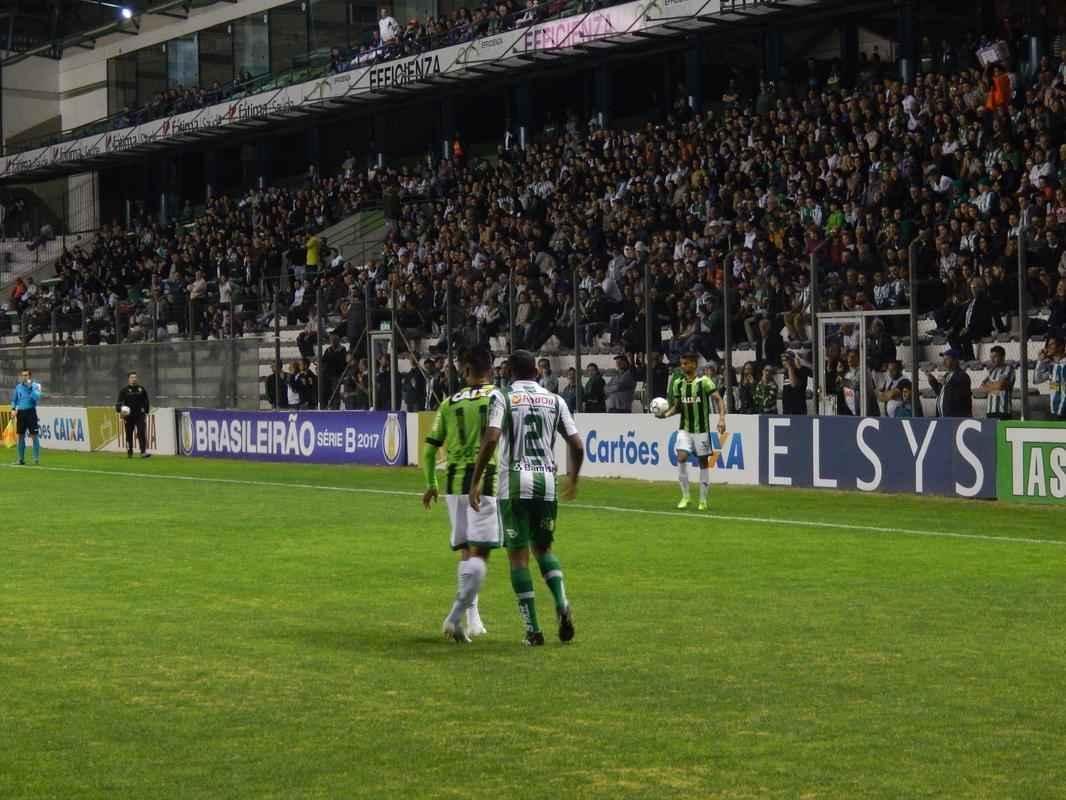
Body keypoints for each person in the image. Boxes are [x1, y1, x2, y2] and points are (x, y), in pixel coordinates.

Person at [469, 350, 584, 647]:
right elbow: (577, 445)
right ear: (537, 370)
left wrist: (476, 479)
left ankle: (533, 631)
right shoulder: (555, 400)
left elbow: (492, 437)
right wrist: (573, 478)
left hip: (515, 482)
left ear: (509, 371)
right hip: (547, 483)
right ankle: (561, 601)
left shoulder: (502, 397)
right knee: (543, 549)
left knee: (518, 558)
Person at [421, 346, 498, 643]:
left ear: (465, 370)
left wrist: (432, 484)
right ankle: (456, 617)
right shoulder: (496, 397)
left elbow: (429, 451)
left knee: (467, 550)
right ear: (490, 369)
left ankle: (472, 618)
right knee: (482, 552)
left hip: (453, 484)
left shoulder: (448, 402)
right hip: (484, 481)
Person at [661, 352, 726, 511]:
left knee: (703, 462)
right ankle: (685, 496)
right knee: (681, 457)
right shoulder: (678, 383)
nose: (683, 366)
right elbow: (678, 407)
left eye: (686, 363)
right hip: (685, 429)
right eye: (682, 364)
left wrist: (721, 419)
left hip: (701, 430)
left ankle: (703, 500)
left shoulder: (704, 382)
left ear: (694, 365)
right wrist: (666, 414)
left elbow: (718, 399)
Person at [926, 348, 973, 418]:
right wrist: (932, 381)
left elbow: (959, 395)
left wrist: (946, 384)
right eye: (943, 359)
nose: (943, 362)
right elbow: (940, 392)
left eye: (947, 359)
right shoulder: (947, 375)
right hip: (943, 418)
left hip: (955, 419)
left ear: (955, 361)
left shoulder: (963, 376)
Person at [115, 371, 151, 458]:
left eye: (135, 377)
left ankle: (143, 452)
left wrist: (146, 411)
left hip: (140, 415)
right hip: (129, 416)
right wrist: (121, 410)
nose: (134, 379)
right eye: (132, 377)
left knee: (141, 432)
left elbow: (146, 401)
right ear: (128, 379)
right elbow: (118, 404)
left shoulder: (141, 389)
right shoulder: (124, 391)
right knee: (129, 434)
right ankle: (129, 452)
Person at [10, 368, 42, 466]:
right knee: (20, 436)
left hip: (31, 412)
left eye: (26, 375)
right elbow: (14, 400)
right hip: (21, 413)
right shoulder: (18, 387)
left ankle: (36, 459)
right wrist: (13, 409)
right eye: (22, 375)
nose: (24, 377)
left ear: (29, 376)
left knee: (34, 435)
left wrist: (30, 387)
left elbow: (36, 398)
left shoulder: (36, 386)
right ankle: (21, 459)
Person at [1034, 333, 1066, 419]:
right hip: (1055, 411)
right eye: (1047, 344)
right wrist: (1040, 361)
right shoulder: (1051, 366)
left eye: (1051, 344)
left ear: (1061, 346)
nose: (1047, 347)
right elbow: (1037, 379)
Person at [980, 345, 1014, 420]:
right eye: (991, 357)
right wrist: (995, 387)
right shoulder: (991, 371)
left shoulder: (1008, 368)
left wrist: (989, 386)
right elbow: (981, 387)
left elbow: (1000, 385)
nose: (992, 359)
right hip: (990, 411)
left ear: (1002, 357)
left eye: (995, 357)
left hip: (1003, 411)